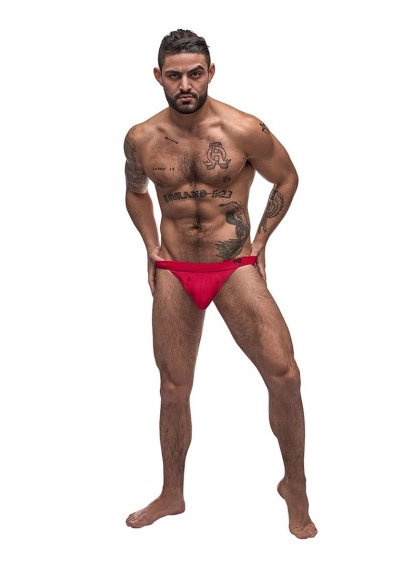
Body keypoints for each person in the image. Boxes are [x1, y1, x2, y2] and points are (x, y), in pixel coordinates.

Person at [123, 29, 317, 539]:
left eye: (195, 73)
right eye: (174, 75)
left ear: (210, 72)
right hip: (174, 270)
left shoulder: (243, 129)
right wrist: (150, 245)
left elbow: (288, 177)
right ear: (158, 76)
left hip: (233, 266)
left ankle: (295, 485)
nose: (185, 84)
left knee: (285, 375)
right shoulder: (141, 137)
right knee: (173, 388)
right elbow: (135, 191)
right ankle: (172, 493)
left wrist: (262, 240)